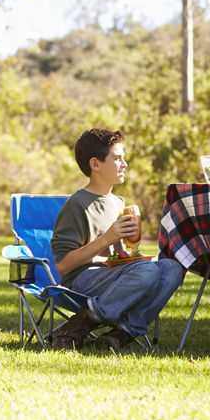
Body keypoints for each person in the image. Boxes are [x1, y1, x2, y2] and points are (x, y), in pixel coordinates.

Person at [49, 128, 183, 351]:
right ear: (96, 164)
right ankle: (79, 323)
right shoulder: (78, 205)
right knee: (147, 270)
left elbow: (120, 256)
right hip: (81, 281)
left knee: (172, 269)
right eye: (117, 158)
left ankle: (123, 333)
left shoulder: (118, 203)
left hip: (113, 275)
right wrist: (107, 238)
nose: (125, 164)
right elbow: (63, 264)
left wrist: (131, 248)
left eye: (124, 158)